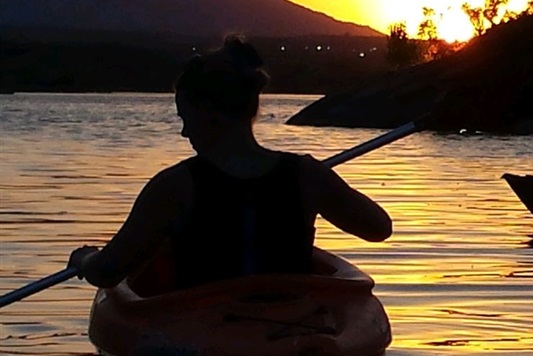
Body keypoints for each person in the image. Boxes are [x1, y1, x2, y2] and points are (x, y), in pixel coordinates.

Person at [68, 36, 392, 289]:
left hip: (202, 328)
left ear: (210, 113)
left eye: (186, 118)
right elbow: (378, 228)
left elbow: (107, 271)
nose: (184, 132)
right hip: (294, 327)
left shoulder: (174, 186)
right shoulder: (308, 174)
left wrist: (85, 260)